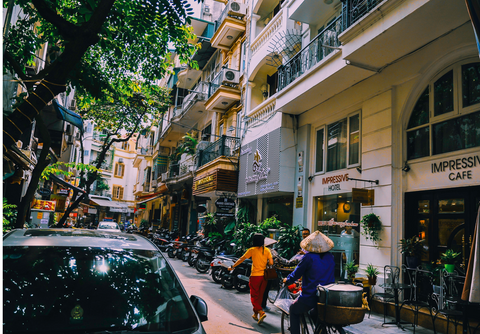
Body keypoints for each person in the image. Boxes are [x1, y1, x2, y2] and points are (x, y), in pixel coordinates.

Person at [283, 231, 335, 334]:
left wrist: (287, 280)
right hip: (327, 295)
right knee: (314, 313)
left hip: (311, 295)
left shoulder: (308, 257)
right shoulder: (330, 257)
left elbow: (296, 274)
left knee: (293, 310)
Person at [229, 233, 273, 324]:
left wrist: (233, 266)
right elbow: (271, 263)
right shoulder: (267, 250)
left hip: (255, 276)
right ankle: (255, 314)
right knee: (260, 296)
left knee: (254, 295)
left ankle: (261, 312)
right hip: (264, 277)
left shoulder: (252, 250)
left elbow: (241, 259)